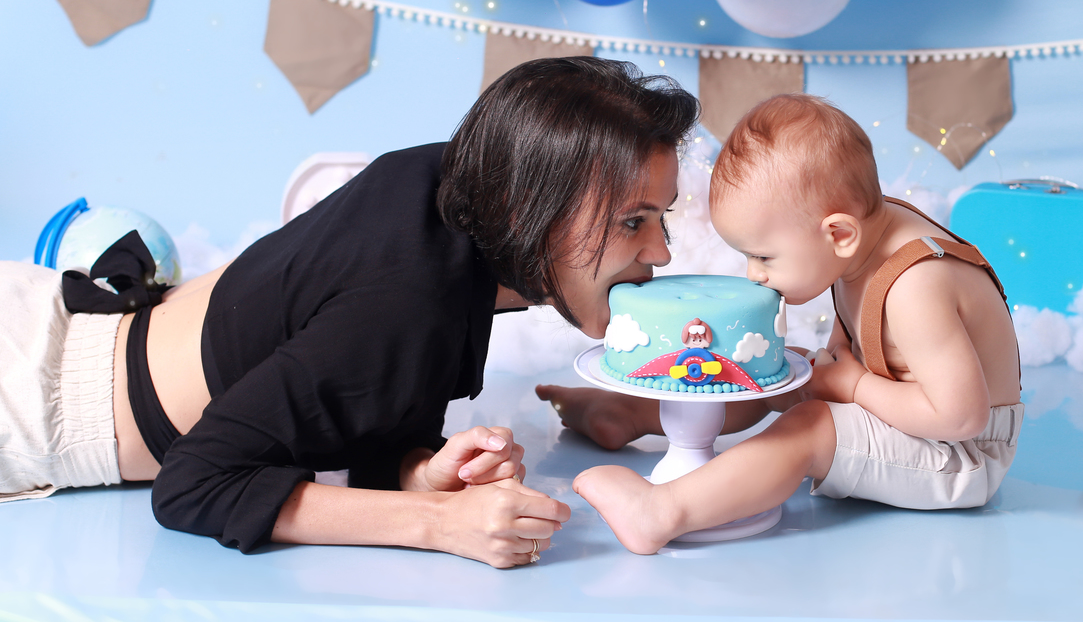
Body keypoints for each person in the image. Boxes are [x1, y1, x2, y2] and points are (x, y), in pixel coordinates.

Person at [0, 56, 699, 568]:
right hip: (30, 399)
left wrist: (422, 471)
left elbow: (349, 399)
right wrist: (438, 522)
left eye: (660, 217)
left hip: (43, 318)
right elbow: (194, 484)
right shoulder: (408, 304)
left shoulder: (453, 180)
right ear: (528, 210)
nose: (661, 253)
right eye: (631, 222)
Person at [538, 93, 1022, 555]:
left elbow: (961, 418)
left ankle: (663, 511)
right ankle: (633, 413)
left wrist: (852, 386)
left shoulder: (916, 287)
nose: (754, 274)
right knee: (773, 376)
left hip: (961, 455)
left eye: (763, 257)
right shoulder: (862, 232)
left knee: (810, 425)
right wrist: (831, 375)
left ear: (839, 233)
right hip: (911, 417)